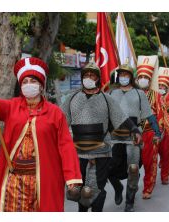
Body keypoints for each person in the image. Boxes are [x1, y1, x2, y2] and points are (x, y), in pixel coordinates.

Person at [0, 57, 82, 212]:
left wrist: (73, 180)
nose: (29, 85)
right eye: (25, 82)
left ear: (41, 85)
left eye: (33, 81)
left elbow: (66, 147)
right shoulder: (11, 107)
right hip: (14, 182)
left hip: (43, 180)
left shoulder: (55, 113)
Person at [61, 62, 142, 212]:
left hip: (101, 152)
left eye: (92, 75)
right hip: (77, 152)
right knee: (79, 190)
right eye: (86, 75)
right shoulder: (72, 98)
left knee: (94, 190)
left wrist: (135, 129)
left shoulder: (106, 99)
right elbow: (59, 122)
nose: (89, 78)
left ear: (98, 78)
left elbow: (122, 118)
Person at [108, 60, 161, 211]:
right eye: (121, 74)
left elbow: (149, 115)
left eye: (126, 74)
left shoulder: (139, 94)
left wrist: (157, 131)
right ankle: (118, 187)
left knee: (133, 168)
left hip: (133, 137)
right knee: (108, 168)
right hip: (114, 137)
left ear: (131, 77)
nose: (123, 77)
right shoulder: (111, 93)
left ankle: (129, 201)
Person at [135, 55, 161, 200]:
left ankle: (148, 187)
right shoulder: (132, 93)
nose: (143, 79)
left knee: (150, 162)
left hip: (150, 133)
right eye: (141, 76)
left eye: (146, 76)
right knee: (133, 164)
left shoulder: (156, 96)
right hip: (134, 134)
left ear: (150, 80)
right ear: (137, 79)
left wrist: (159, 134)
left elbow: (161, 116)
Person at [156, 67, 169, 185]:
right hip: (154, 128)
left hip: (167, 129)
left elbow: (166, 110)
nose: (161, 88)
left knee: (165, 154)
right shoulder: (154, 96)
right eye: (159, 85)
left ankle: (165, 176)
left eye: (163, 86)